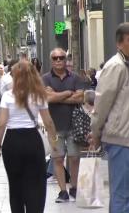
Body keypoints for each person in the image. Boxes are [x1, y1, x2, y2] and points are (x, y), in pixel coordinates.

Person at [89, 22, 129, 213]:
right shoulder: (116, 66)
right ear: (119, 44)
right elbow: (102, 102)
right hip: (123, 139)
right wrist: (95, 132)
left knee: (126, 194)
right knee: (122, 196)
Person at [0, 60, 58, 213]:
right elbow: (48, 122)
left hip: (12, 141)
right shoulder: (39, 95)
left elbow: (1, 123)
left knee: (15, 183)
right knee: (35, 182)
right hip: (32, 140)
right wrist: (54, 143)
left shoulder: (8, 95)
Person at [42, 48, 85, 202]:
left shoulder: (75, 78)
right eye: (55, 58)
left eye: (61, 57)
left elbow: (80, 99)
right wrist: (68, 93)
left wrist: (56, 95)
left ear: (65, 60)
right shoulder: (45, 78)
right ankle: (63, 191)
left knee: (74, 157)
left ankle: (74, 187)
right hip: (54, 126)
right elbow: (47, 98)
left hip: (74, 125)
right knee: (58, 159)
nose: (58, 60)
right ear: (51, 60)